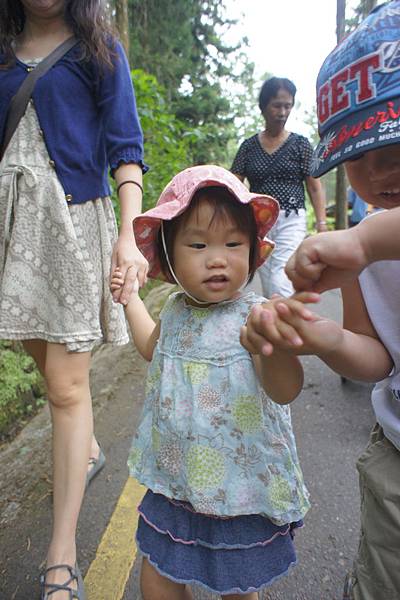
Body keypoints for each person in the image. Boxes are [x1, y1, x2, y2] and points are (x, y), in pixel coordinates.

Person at [241, 3, 400, 599]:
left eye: (396, 139)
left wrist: (355, 237)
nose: (380, 167)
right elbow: (379, 357)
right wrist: (328, 340)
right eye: (357, 155)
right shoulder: (366, 245)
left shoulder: (366, 239)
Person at [111, 165, 315, 600]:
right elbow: (152, 346)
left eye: (233, 244)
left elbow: (284, 390)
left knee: (237, 586)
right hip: (175, 477)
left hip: (239, 487)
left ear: (254, 252)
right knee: (158, 577)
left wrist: (274, 347)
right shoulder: (175, 310)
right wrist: (129, 299)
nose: (217, 257)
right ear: (168, 256)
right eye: (198, 244)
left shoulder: (257, 316)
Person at [0, 1, 148, 598]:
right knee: (38, 349)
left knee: (65, 385)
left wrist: (128, 233)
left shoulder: (98, 47)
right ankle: (82, 443)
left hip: (70, 221)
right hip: (10, 223)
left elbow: (126, 144)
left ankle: (60, 555)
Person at [231, 76, 327, 298]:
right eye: (277, 106)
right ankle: (275, 324)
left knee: (280, 275)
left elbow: (314, 186)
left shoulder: (300, 144)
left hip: (291, 218)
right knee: (265, 277)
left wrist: (322, 223)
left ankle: (288, 325)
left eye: (288, 106)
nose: (282, 112)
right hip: (259, 220)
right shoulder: (248, 147)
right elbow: (234, 185)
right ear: (264, 107)